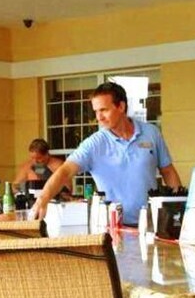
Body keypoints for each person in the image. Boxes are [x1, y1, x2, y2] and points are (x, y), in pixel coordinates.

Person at [31, 82, 181, 225]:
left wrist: (178, 209)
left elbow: (168, 171)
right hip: (112, 227)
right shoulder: (94, 144)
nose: (99, 117)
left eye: (103, 110)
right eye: (96, 111)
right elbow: (65, 171)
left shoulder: (151, 133)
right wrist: (43, 199)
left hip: (152, 223)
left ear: (121, 106)